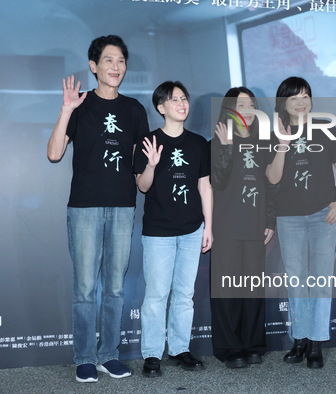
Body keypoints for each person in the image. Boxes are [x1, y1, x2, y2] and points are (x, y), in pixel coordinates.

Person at [46, 35, 149, 383]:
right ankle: (85, 357)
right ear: (94, 66)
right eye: (108, 60)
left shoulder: (134, 109)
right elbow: (54, 153)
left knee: (116, 288)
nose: (115, 67)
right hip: (85, 208)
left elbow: (139, 169)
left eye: (120, 61)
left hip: (122, 208)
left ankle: (109, 355)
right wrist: (66, 110)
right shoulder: (81, 104)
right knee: (86, 287)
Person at [266, 76, 336, 369]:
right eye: (294, 97)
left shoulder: (324, 127)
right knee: (296, 279)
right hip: (289, 217)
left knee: (321, 278)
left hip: (322, 215)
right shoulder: (275, 132)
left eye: (306, 95)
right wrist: (283, 145)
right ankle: (299, 338)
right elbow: (272, 178)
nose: (302, 101)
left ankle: (316, 342)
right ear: (283, 103)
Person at [134, 81, 212, 378]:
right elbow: (142, 186)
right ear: (160, 107)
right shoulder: (150, 141)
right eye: (174, 99)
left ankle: (180, 348)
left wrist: (209, 226)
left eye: (184, 98)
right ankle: (152, 354)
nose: (181, 104)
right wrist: (152, 164)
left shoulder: (198, 143)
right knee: (156, 294)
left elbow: (204, 186)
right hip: (159, 232)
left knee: (184, 294)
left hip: (192, 229)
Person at [210, 87, 276, 369]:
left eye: (250, 104)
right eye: (240, 104)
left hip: (255, 225)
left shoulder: (265, 141)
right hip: (225, 226)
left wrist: (270, 220)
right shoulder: (217, 140)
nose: (246, 108)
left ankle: (253, 345)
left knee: (252, 291)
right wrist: (225, 146)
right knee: (227, 290)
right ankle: (229, 348)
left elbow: (271, 185)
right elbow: (218, 181)